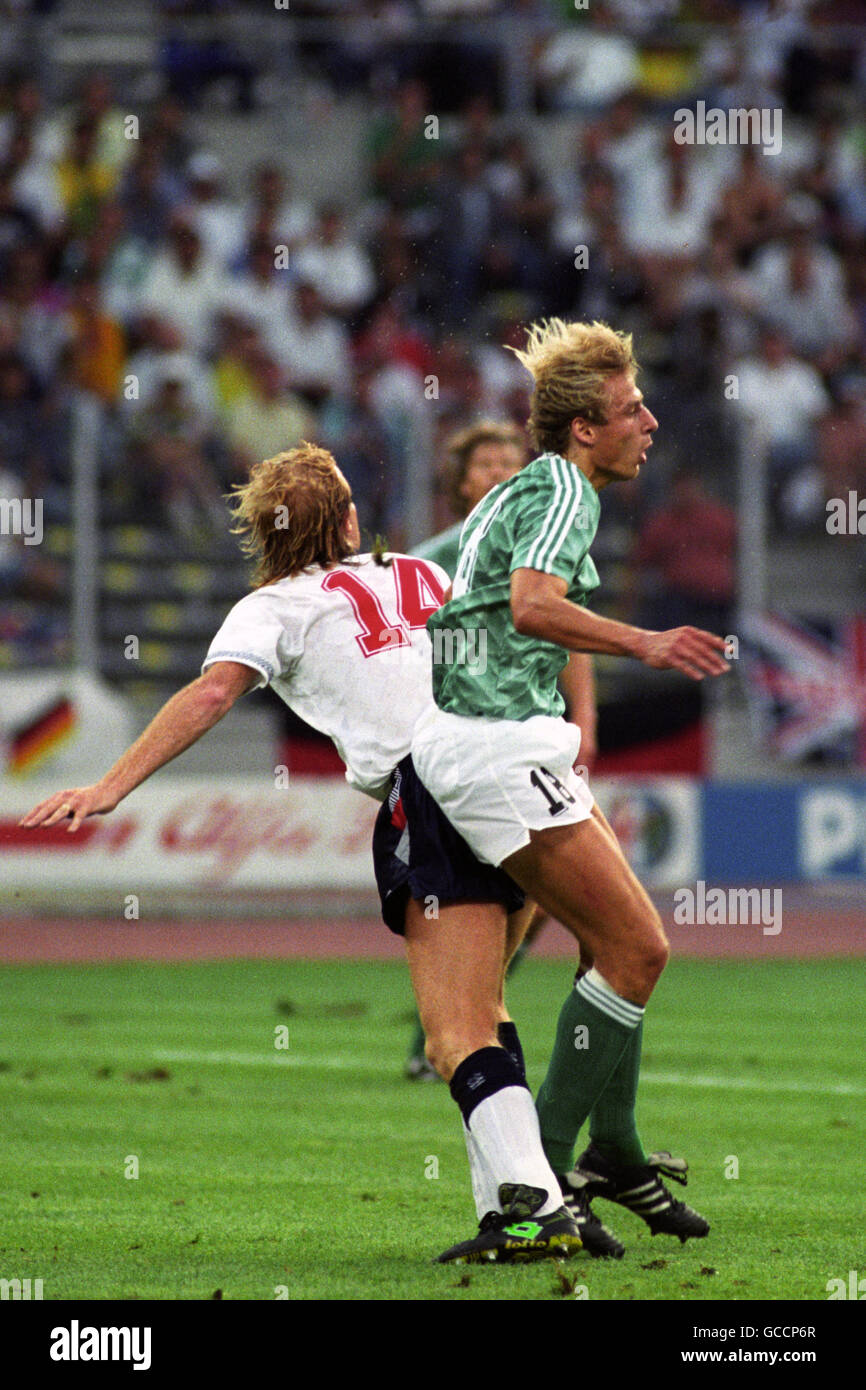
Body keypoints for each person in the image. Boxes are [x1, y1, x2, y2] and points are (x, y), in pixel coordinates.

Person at [18, 443, 586, 1266]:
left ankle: (537, 1206)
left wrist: (112, 785)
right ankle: (521, 1203)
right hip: (511, 771)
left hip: (429, 789)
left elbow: (212, 691)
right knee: (488, 1008)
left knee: (450, 1036)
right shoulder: (424, 576)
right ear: (346, 519)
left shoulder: (275, 605)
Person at [412, 318, 729, 1259]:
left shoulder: (519, 490)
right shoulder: (560, 487)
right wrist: (646, 642)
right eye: (632, 409)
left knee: (613, 941)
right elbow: (531, 604)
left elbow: (458, 597)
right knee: (638, 947)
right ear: (585, 429)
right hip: (498, 752)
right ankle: (545, 1177)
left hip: (492, 747)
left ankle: (616, 1152)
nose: (651, 422)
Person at [405, 418, 598, 1082]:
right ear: (458, 483)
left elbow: (562, 634)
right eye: (484, 462)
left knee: (528, 895)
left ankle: (460, 1025)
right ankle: (451, 1029)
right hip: (459, 743)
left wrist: (586, 721)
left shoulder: (536, 542)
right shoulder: (429, 559)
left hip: (524, 739)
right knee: (480, 891)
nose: (498, 470)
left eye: (509, 460)